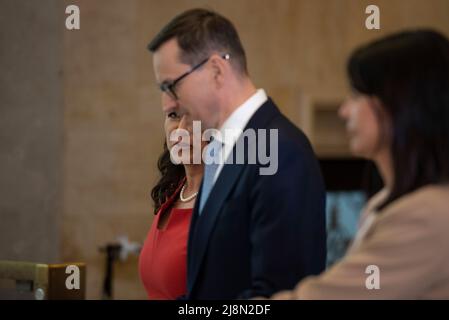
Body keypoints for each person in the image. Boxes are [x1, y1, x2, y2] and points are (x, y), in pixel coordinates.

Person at [148, 8, 327, 299]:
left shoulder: (279, 151)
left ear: (217, 70)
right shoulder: (222, 149)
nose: (168, 102)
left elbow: (275, 295)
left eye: (171, 85)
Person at [270, 29, 449, 299]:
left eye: (355, 95)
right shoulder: (389, 201)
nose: (344, 110)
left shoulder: (428, 215)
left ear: (395, 106)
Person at [138, 106, 205, 299]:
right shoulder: (175, 190)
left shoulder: (225, 200)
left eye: (195, 117)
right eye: (173, 115)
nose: (181, 129)